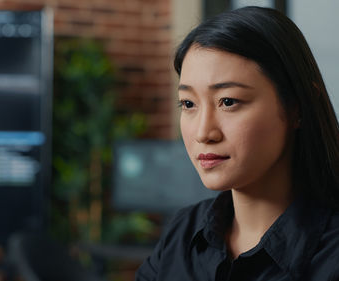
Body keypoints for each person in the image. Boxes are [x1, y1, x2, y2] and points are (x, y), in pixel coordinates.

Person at [135, 6, 339, 281]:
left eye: (228, 102)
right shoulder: (182, 234)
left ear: (298, 107)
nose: (204, 132)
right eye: (188, 104)